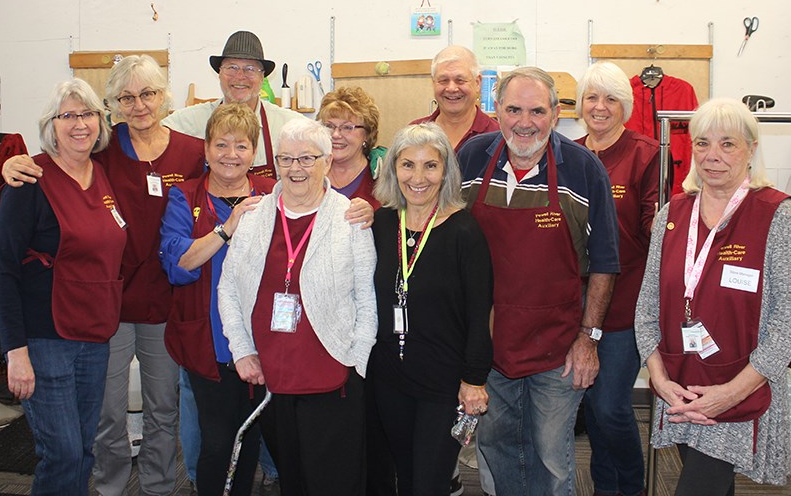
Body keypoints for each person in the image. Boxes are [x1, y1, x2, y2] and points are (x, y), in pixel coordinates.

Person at [0, 55, 206, 494]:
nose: (139, 105)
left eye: (147, 94)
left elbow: (225, 187)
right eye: (125, 97)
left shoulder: (192, 152)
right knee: (106, 414)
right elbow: (49, 170)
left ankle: (157, 486)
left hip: (164, 302)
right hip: (105, 306)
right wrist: (8, 166)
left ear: (163, 96)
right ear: (112, 105)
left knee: (162, 407)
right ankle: (111, 487)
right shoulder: (100, 148)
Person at [458, 67, 620, 495]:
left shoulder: (584, 169)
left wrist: (589, 339)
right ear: (496, 109)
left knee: (551, 454)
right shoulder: (472, 159)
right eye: (513, 109)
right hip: (488, 343)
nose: (524, 122)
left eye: (536, 110)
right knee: (495, 446)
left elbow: (605, 261)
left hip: (560, 345)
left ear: (556, 113)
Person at [634, 98, 791, 495]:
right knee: (713, 484)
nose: (713, 155)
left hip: (741, 385)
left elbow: (786, 322)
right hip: (680, 385)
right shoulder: (672, 213)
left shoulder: (778, 215)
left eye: (728, 144)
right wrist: (658, 376)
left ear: (751, 149)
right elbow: (648, 304)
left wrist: (730, 393)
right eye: (703, 143)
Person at [217, 117, 377, 496]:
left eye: (307, 158)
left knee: (334, 482)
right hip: (272, 376)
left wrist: (357, 361)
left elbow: (367, 297)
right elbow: (229, 288)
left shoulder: (349, 217)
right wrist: (242, 351)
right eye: (286, 159)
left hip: (333, 376)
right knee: (292, 480)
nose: (295, 168)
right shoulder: (254, 216)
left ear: (326, 162)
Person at [0, 79, 127, 495]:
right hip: (44, 339)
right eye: (68, 115)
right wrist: (15, 352)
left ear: (100, 122)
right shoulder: (29, 180)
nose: (80, 124)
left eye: (87, 114)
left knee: (84, 449)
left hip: (94, 336)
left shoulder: (102, 175)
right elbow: (3, 270)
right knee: (62, 452)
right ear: (51, 125)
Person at [370, 123, 493, 496]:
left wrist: (474, 380)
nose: (418, 177)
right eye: (407, 165)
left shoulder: (464, 231)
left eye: (430, 166)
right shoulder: (381, 222)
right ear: (393, 169)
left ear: (446, 171)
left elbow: (479, 314)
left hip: (443, 382)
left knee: (430, 482)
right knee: (403, 476)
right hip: (389, 374)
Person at [160, 103, 275, 496]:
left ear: (254, 152)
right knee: (217, 440)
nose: (230, 154)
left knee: (252, 434)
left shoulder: (271, 193)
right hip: (208, 342)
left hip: (263, 340)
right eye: (221, 144)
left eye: (241, 146)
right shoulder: (185, 196)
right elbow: (178, 264)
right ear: (206, 149)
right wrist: (228, 227)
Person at [575, 61, 659, 496]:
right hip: (576, 305)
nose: (600, 107)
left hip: (625, 306)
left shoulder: (646, 154)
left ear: (625, 107)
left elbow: (655, 232)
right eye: (591, 97)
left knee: (609, 406)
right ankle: (605, 487)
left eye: (610, 98)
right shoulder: (566, 153)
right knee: (591, 404)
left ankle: (631, 486)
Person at [162, 29, 299, 179]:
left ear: (262, 77)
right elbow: (152, 135)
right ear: (219, 73)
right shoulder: (190, 121)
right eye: (232, 67)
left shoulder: (289, 125)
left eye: (250, 69)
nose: (240, 77)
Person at [411, 45, 498, 151]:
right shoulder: (413, 135)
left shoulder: (497, 136)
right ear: (433, 83)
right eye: (443, 80)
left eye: (460, 80)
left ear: (477, 83)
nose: (451, 88)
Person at [317, 86, 386, 209]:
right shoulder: (310, 174)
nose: (336, 134)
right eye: (329, 126)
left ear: (367, 133)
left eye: (347, 127)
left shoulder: (382, 177)